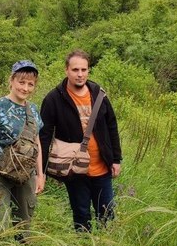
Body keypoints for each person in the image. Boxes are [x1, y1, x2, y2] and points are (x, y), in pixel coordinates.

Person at [40, 50, 122, 231]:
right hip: (74, 169)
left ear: (88, 71)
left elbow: (112, 126)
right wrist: (42, 171)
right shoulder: (53, 99)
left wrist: (116, 159)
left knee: (107, 214)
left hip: (102, 167)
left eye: (84, 70)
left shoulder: (99, 94)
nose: (80, 74)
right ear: (66, 70)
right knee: (81, 214)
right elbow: (44, 136)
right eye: (75, 69)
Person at [0, 61, 45, 240]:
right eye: (22, 82)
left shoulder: (33, 110)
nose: (26, 88)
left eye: (31, 84)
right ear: (12, 80)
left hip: (26, 173)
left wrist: (40, 174)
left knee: (24, 223)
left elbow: (36, 144)